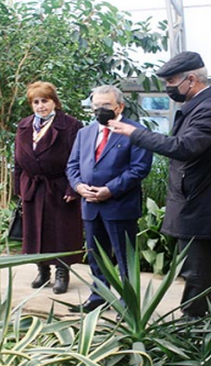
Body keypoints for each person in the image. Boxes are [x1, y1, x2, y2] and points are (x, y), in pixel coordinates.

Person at [109, 51, 211, 319]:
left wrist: (135, 133)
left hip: (201, 203)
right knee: (209, 263)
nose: (168, 88)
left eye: (171, 81)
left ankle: (192, 321)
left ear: (192, 79)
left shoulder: (209, 110)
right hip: (200, 199)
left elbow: (184, 147)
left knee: (195, 266)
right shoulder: (203, 106)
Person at [66, 85, 153, 313]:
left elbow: (139, 169)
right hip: (90, 206)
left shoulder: (135, 131)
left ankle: (129, 303)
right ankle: (98, 297)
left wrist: (109, 190)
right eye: (96, 106)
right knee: (96, 257)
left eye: (106, 106)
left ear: (119, 106)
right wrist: (78, 186)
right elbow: (73, 165)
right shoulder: (85, 133)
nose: (100, 110)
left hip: (119, 206)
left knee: (125, 259)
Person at [14, 81, 84, 295]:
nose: (40, 106)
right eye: (36, 102)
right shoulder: (24, 125)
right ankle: (42, 270)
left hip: (60, 186)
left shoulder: (71, 125)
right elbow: (17, 161)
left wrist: (74, 189)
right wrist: (19, 188)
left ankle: (62, 272)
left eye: (45, 100)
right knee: (35, 231)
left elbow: (79, 159)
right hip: (33, 186)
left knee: (62, 231)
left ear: (54, 102)